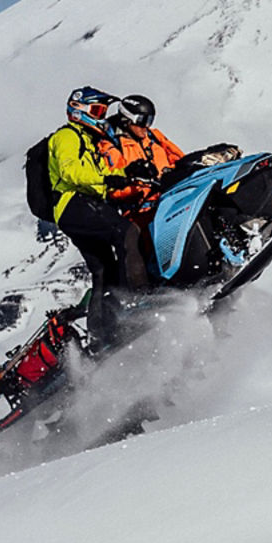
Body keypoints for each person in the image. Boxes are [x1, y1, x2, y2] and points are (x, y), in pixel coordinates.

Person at [48, 86, 150, 352]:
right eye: (97, 111)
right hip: (75, 203)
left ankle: (101, 332)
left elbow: (104, 170)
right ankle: (138, 300)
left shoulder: (89, 142)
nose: (102, 116)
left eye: (103, 111)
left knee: (103, 268)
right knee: (127, 231)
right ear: (80, 111)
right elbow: (71, 171)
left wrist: (129, 173)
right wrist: (107, 179)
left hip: (80, 207)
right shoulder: (67, 136)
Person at [96, 94, 186, 216]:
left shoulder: (153, 137)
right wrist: (139, 180)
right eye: (142, 121)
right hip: (141, 212)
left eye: (149, 121)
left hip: (169, 201)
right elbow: (115, 190)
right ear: (126, 121)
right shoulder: (112, 146)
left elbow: (180, 159)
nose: (146, 126)